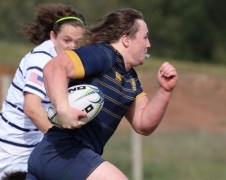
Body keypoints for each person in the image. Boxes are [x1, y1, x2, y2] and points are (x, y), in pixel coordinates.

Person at [27, 8, 179, 180]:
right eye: (145, 37)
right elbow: (54, 67)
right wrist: (62, 109)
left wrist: (165, 90)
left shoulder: (131, 79)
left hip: (58, 157)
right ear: (126, 40)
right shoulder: (103, 54)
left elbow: (143, 124)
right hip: (63, 152)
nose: (148, 44)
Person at [0, 3, 86, 180]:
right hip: (10, 154)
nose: (73, 46)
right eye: (67, 40)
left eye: (78, 42)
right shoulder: (41, 61)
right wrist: (62, 141)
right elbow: (31, 108)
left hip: (35, 150)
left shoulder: (71, 62)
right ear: (53, 37)